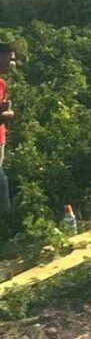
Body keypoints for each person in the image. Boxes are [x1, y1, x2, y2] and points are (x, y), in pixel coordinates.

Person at [0, 42, 16, 224]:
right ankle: (7, 224)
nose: (13, 64)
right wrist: (8, 114)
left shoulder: (2, 84)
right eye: (10, 59)